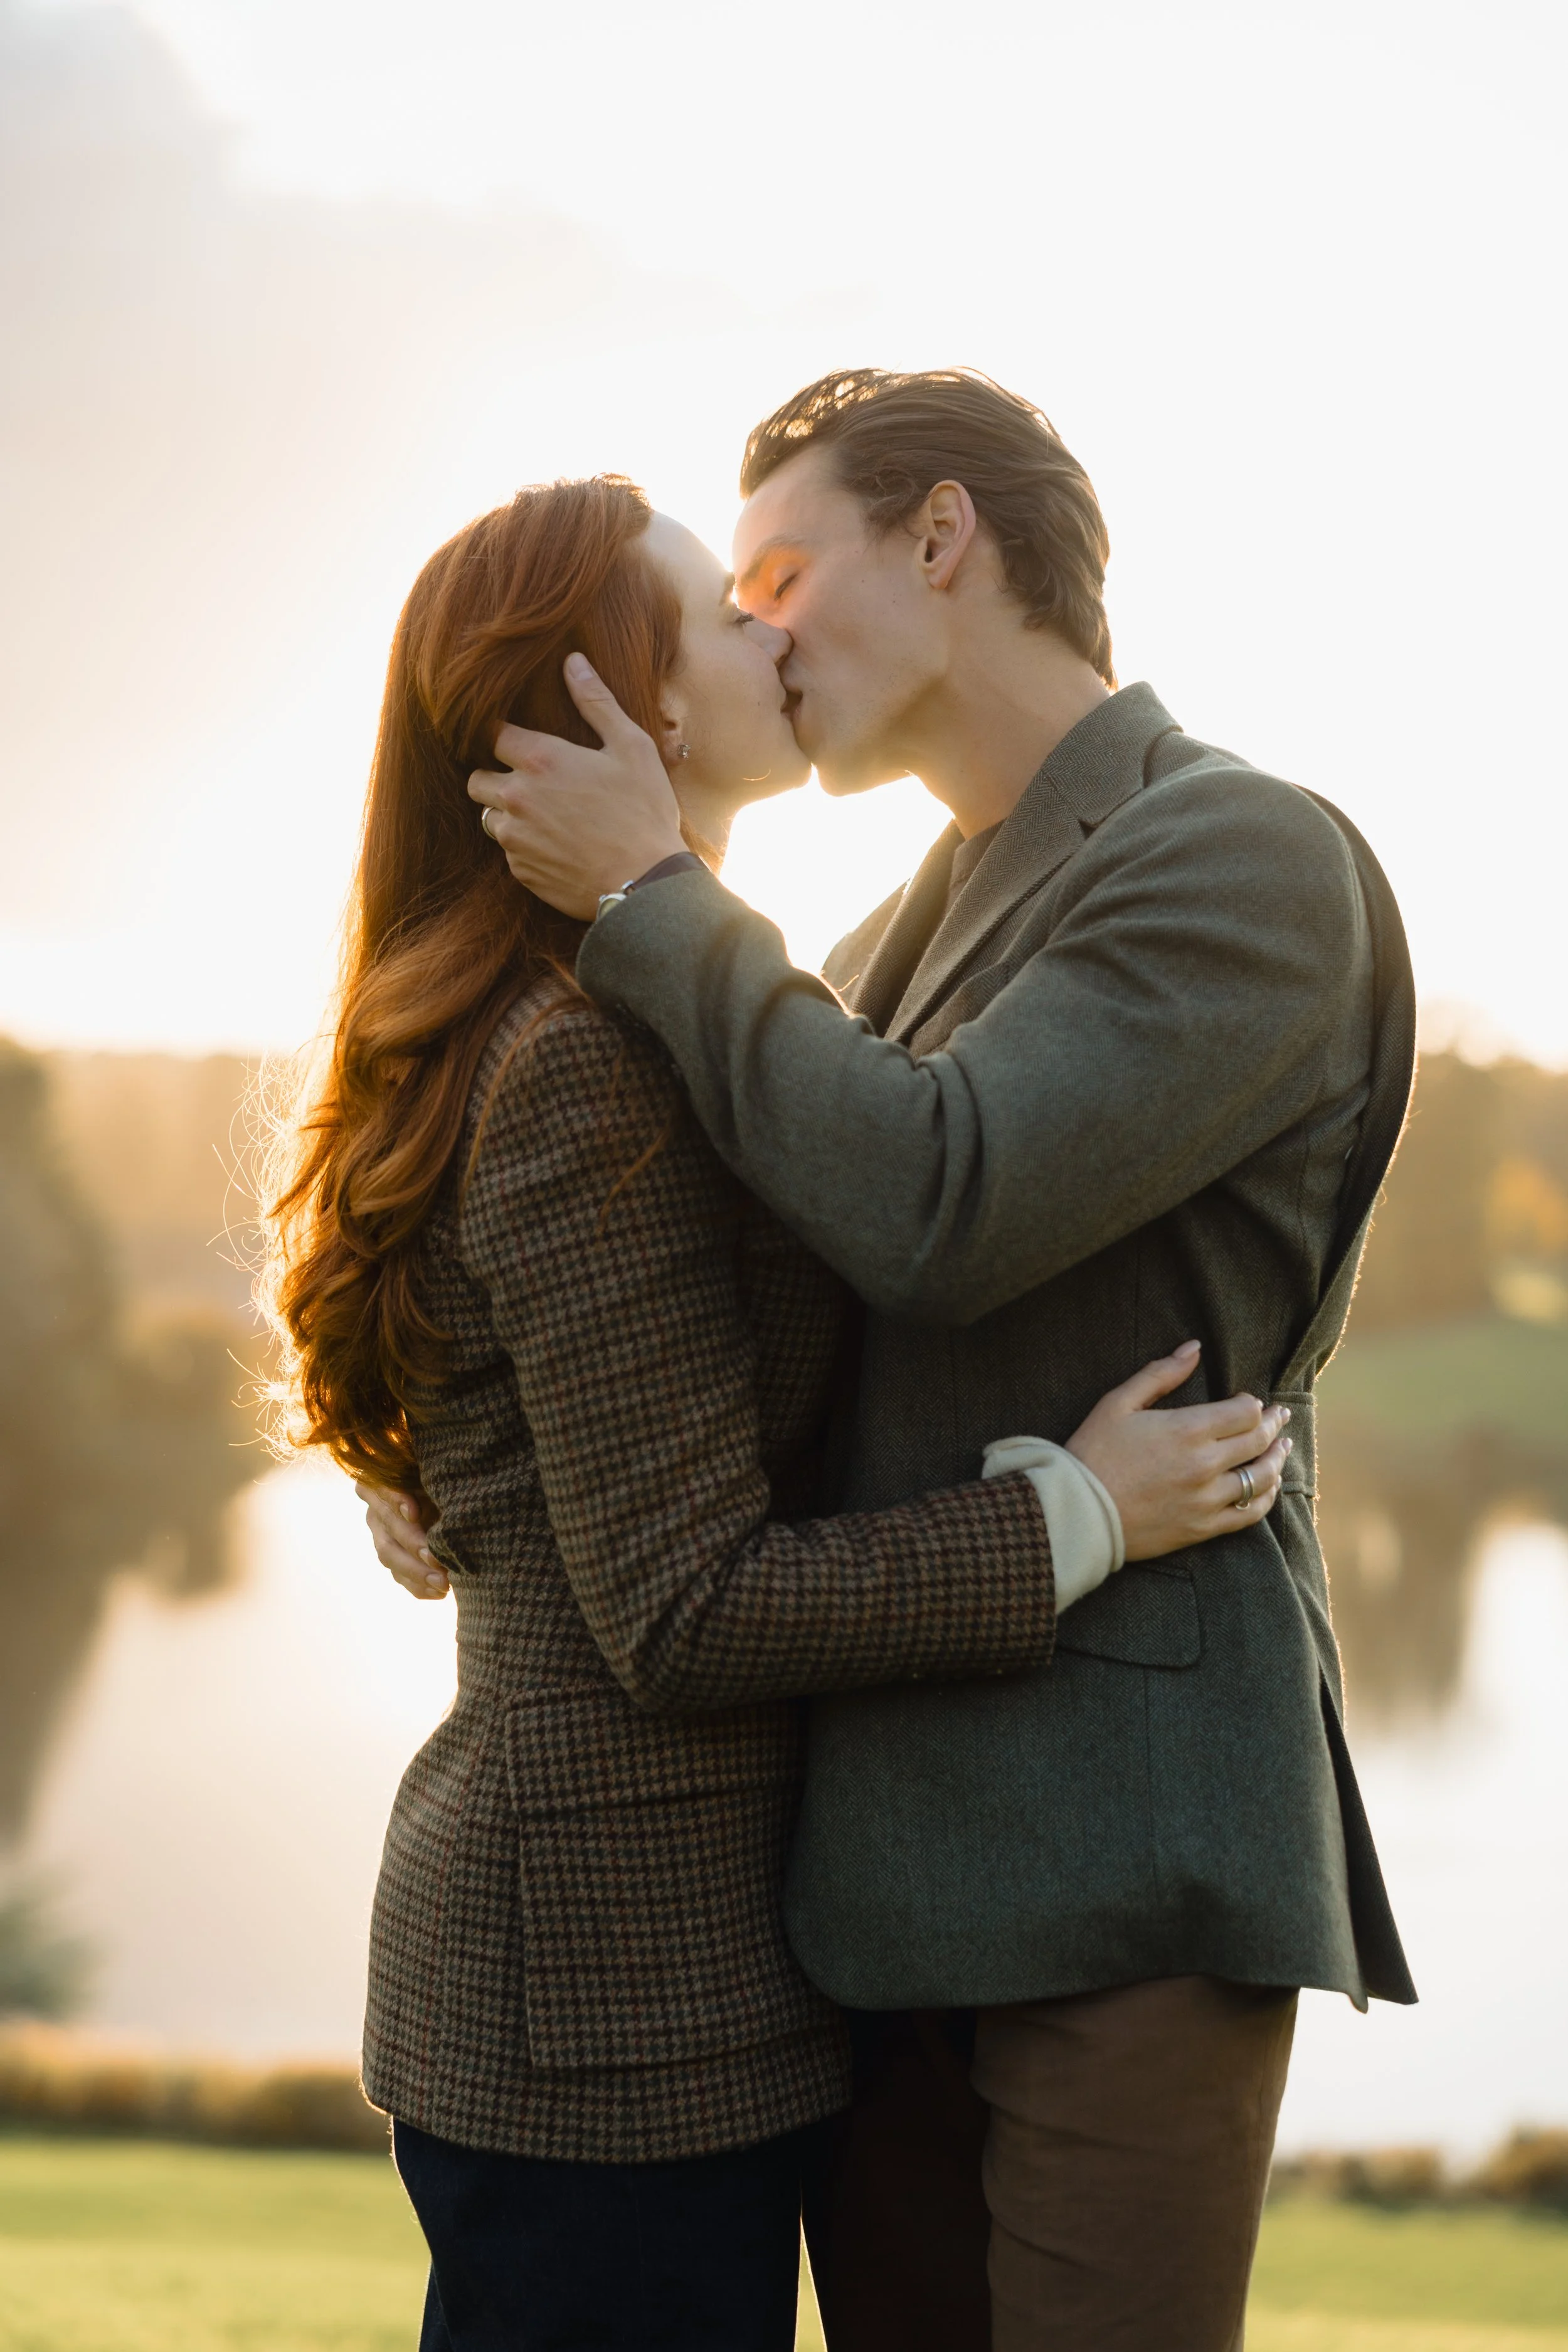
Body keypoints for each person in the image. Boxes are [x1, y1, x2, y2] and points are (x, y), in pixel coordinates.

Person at [269, 472, 1291, 2352]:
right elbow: (682, 1607)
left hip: (676, 1987)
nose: (770, 630)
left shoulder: (679, 1008)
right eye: (719, 608)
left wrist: (436, 1475)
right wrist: (1078, 1512)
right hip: (600, 2009)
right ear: (627, 712)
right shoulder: (586, 1061)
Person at [453, 368, 1420, 2352]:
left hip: (1126, 1851)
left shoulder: (1239, 853)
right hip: (870, 1881)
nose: (760, 633)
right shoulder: (900, 928)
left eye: (783, 570)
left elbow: (937, 1199)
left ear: (945, 537)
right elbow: (729, 1290)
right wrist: (466, 1449)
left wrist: (651, 892)